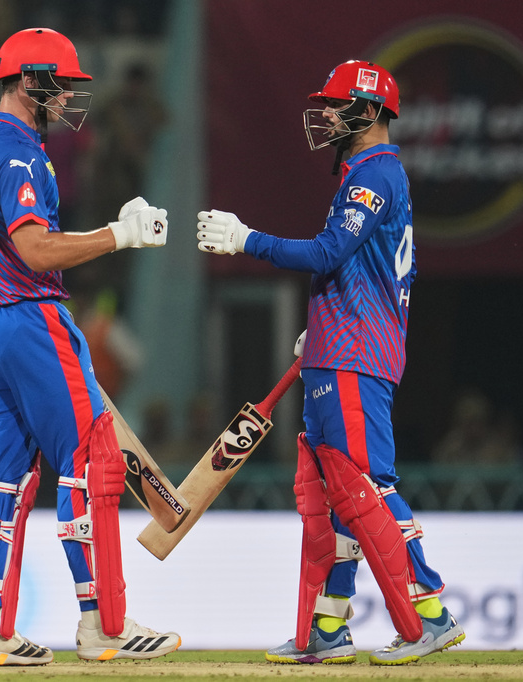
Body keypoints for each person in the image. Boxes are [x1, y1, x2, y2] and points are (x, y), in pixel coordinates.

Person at [195, 60, 465, 666]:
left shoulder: (376, 174)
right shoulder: (366, 174)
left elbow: (326, 250)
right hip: (339, 349)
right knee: (337, 498)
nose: (329, 118)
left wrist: (246, 240)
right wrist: (321, 326)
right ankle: (329, 625)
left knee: (368, 489)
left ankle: (431, 612)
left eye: (340, 107)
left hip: (354, 358)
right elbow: (359, 269)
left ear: (370, 113)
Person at [0, 28, 178, 666]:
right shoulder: (20, 154)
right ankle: (103, 623)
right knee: (91, 460)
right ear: (28, 80)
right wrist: (119, 234)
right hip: (27, 317)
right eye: (61, 84)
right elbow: (34, 250)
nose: (68, 98)